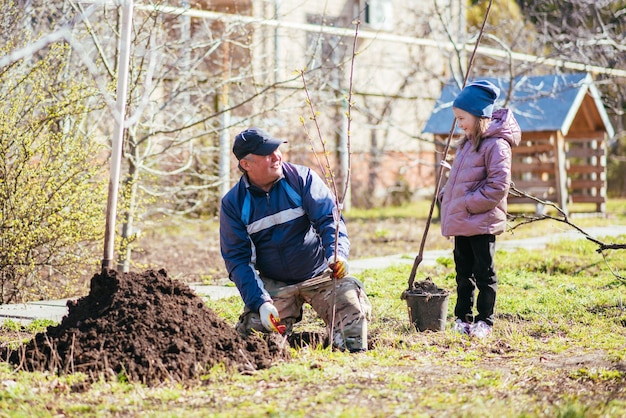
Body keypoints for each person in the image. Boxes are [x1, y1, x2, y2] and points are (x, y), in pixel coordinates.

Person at [219, 127, 372, 352]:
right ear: (246, 164)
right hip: (275, 283)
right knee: (253, 343)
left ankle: (346, 350)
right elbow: (238, 260)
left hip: (321, 274)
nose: (276, 156)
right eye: (267, 153)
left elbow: (329, 220)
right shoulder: (233, 204)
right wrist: (260, 302)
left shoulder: (302, 179)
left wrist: (336, 254)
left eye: (277, 149)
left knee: (352, 317)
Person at [438, 80, 521, 338]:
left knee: (484, 273)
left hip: (481, 221)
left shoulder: (496, 145)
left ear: (478, 115)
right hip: (463, 221)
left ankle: (485, 320)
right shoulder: (466, 144)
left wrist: (464, 203)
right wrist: (446, 196)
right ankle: (463, 318)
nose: (459, 124)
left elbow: (497, 186)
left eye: (462, 118)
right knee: (463, 273)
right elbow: (462, 181)